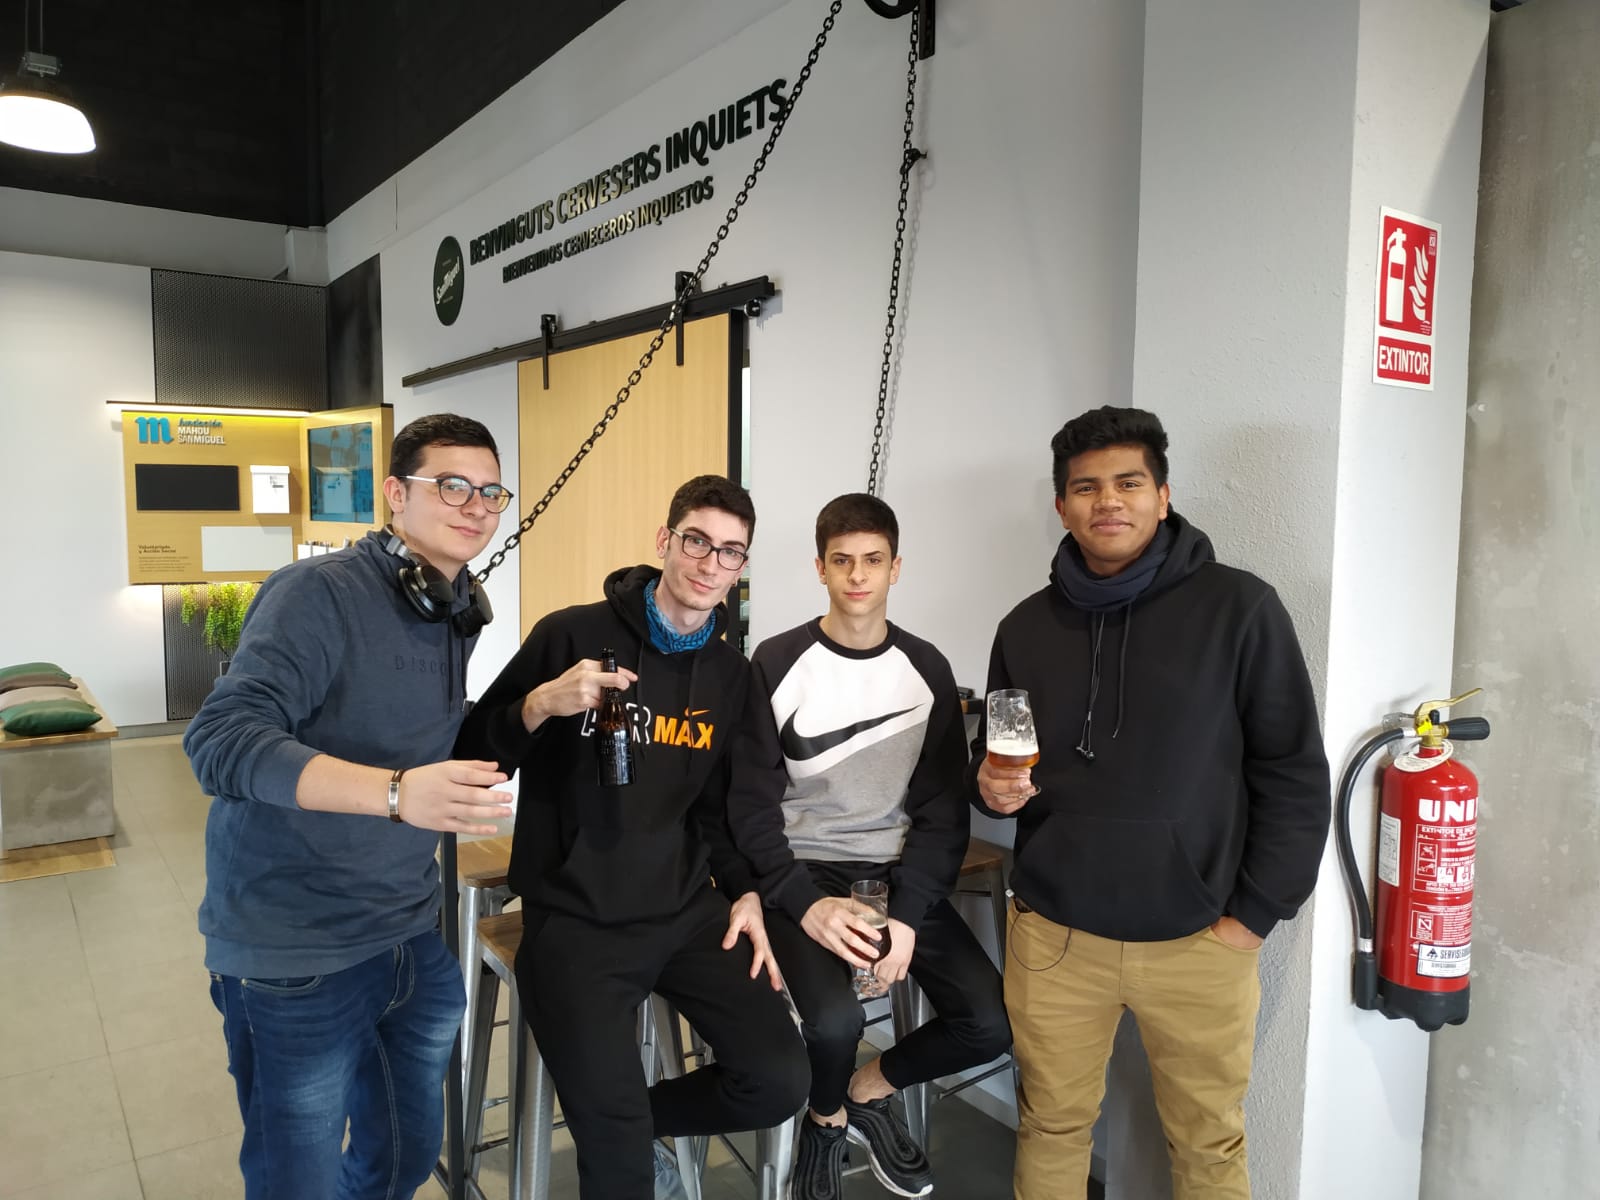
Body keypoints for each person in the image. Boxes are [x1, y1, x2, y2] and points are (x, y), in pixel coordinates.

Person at [972, 406, 1331, 1199]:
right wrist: (989, 786)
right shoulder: (1024, 628)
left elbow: (1294, 773)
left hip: (1199, 939)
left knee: (1208, 1144)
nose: (1108, 500)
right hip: (1055, 938)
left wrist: (1253, 916)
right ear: (1061, 506)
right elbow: (998, 759)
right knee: (1050, 1127)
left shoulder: (1242, 610)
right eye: (1086, 487)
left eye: (1129, 483)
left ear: (1163, 496)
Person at [185, 413, 517, 1199]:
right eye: (453, 486)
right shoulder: (317, 594)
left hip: (406, 933)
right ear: (396, 494)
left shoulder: (449, 607)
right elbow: (220, 740)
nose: (476, 506)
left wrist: (533, 707)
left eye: (491, 492)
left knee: (405, 1156)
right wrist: (397, 793)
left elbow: (415, 726)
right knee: (295, 1179)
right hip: (295, 949)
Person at [454, 474, 808, 1200]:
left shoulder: (731, 676)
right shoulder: (571, 634)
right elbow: (474, 755)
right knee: (618, 1172)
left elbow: (718, 809)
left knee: (779, 1080)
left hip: (683, 910)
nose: (710, 563)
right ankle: (614, 1131)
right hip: (575, 917)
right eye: (697, 541)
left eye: (730, 552)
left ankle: (625, 1123)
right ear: (665, 540)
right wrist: (540, 704)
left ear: (742, 566)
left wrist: (746, 892)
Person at [729, 493, 1011, 1200]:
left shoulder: (926, 667)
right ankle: (824, 1123)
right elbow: (750, 808)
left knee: (989, 1023)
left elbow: (942, 811)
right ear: (820, 568)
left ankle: (866, 1091)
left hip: (896, 873)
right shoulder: (777, 660)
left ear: (896, 568)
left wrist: (909, 915)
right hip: (804, 869)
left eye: (873, 560)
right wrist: (802, 901)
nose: (858, 575)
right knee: (834, 1021)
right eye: (843, 561)